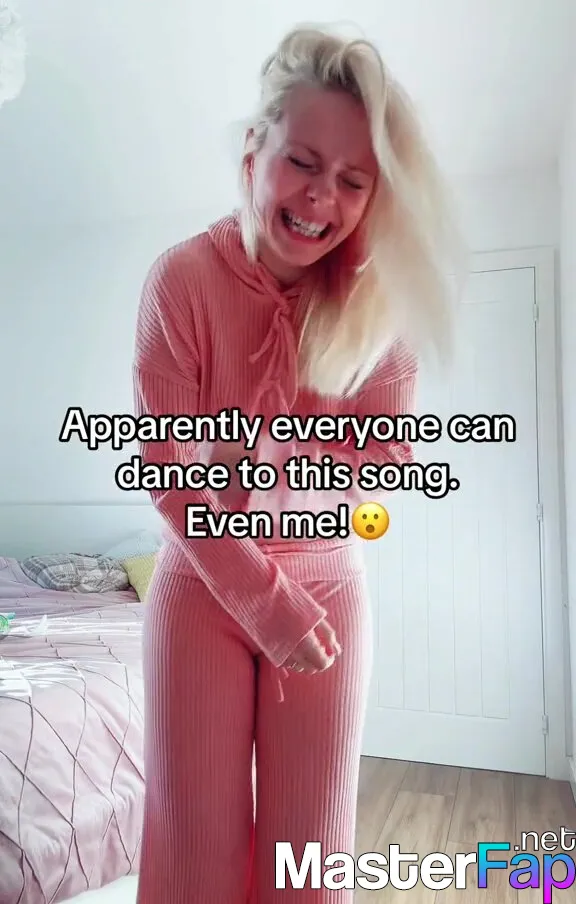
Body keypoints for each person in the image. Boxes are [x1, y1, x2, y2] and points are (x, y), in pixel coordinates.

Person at [132, 23, 465, 903]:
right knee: (194, 855)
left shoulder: (378, 301)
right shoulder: (180, 280)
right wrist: (262, 595)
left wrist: (272, 455)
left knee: (308, 859)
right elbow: (167, 472)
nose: (323, 197)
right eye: (304, 162)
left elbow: (387, 459)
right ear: (255, 150)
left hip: (329, 593)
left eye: (354, 180)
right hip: (200, 590)